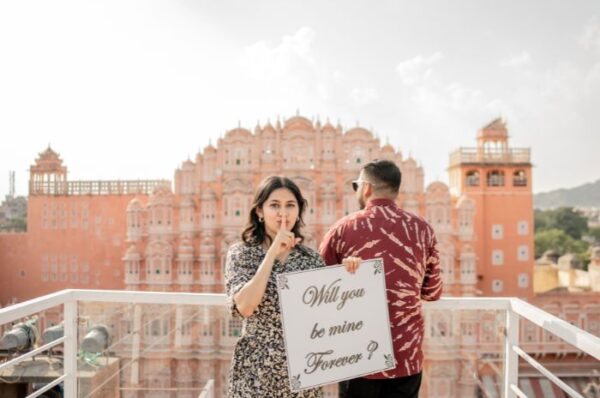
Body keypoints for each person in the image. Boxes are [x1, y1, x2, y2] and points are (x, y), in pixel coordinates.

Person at [319, 159, 442, 398]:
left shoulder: (343, 229)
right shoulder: (422, 229)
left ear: (366, 188)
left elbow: (319, 292)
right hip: (406, 355)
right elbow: (432, 291)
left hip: (356, 354)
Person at [225, 176, 324, 397]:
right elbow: (245, 307)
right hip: (255, 370)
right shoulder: (242, 253)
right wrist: (271, 254)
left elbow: (327, 313)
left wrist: (350, 271)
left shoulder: (312, 259)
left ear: (299, 211)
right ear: (259, 211)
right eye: (274, 205)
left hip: (303, 370)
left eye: (290, 205)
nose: (283, 212)